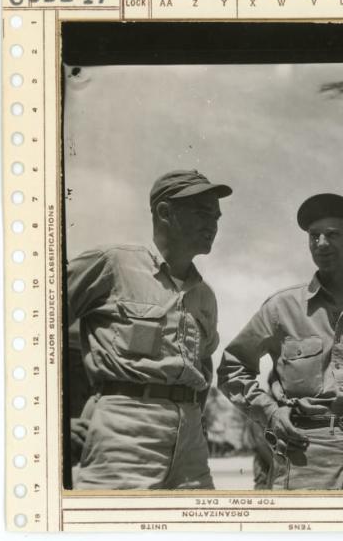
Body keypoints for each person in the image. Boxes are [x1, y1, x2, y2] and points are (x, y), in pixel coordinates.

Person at [219, 193, 343, 490]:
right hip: (301, 460)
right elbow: (232, 368)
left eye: (333, 234)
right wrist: (270, 414)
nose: (322, 243)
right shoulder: (280, 308)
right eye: (314, 235)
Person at [67, 169, 232, 489]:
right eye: (202, 213)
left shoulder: (204, 296)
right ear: (164, 212)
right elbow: (29, 323)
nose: (212, 224)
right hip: (125, 435)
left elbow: (203, 363)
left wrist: (196, 426)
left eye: (216, 216)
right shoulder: (112, 264)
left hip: (190, 448)